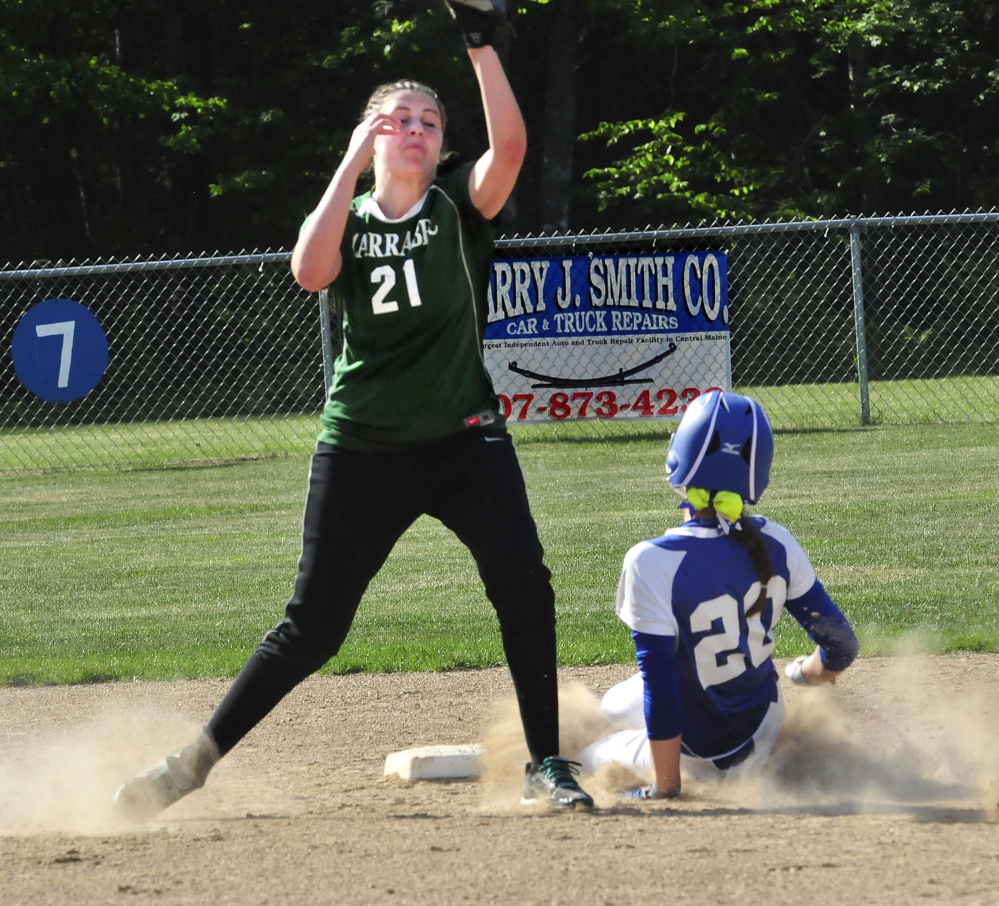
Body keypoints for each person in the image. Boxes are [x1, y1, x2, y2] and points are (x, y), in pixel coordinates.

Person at [112, 0, 593, 819]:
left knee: (523, 583)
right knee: (313, 628)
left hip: (464, 442)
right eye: (397, 119)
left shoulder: (456, 211)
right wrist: (348, 159)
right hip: (363, 448)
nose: (415, 129)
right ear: (372, 140)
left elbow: (509, 148)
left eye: (428, 121)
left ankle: (545, 763)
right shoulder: (352, 218)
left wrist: (479, 43)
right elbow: (308, 269)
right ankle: (189, 766)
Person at [577, 390, 859, 798]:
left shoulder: (651, 560)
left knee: (583, 758)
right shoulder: (777, 541)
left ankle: (678, 768)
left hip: (703, 758)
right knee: (614, 705)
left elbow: (662, 686)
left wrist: (665, 788)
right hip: (765, 725)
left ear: (680, 458)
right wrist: (812, 673)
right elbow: (842, 644)